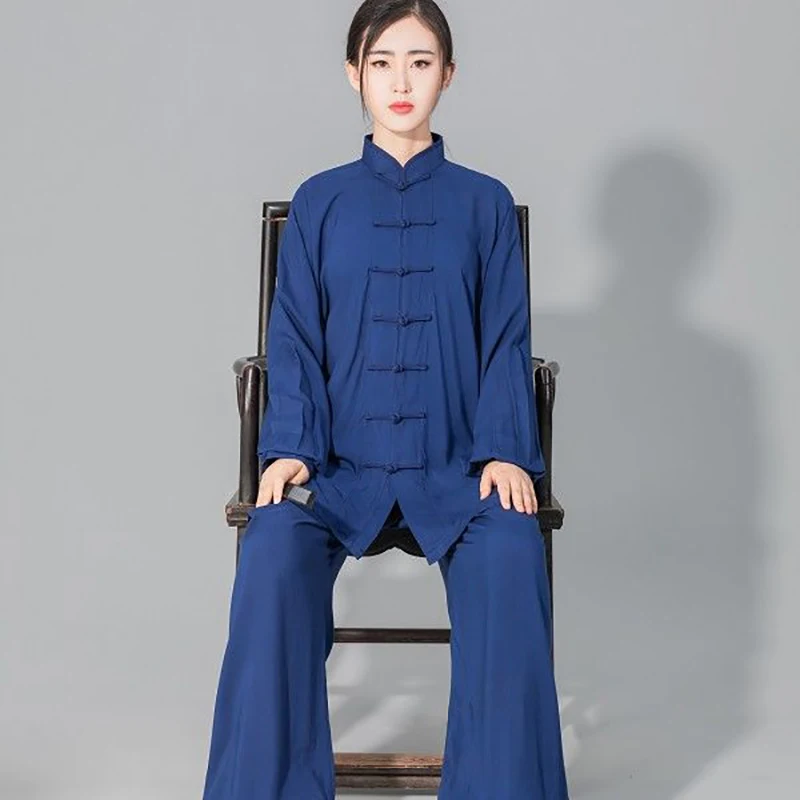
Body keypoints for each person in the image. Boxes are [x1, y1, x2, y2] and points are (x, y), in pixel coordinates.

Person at [201, 1, 570, 797]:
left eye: (420, 62)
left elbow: (506, 337)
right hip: (338, 472)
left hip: (457, 470)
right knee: (272, 551)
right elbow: (292, 338)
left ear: (448, 75)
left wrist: (506, 448)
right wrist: (289, 447)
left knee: (510, 554)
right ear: (354, 74)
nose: (401, 82)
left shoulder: (485, 204)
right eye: (382, 63)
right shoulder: (320, 202)